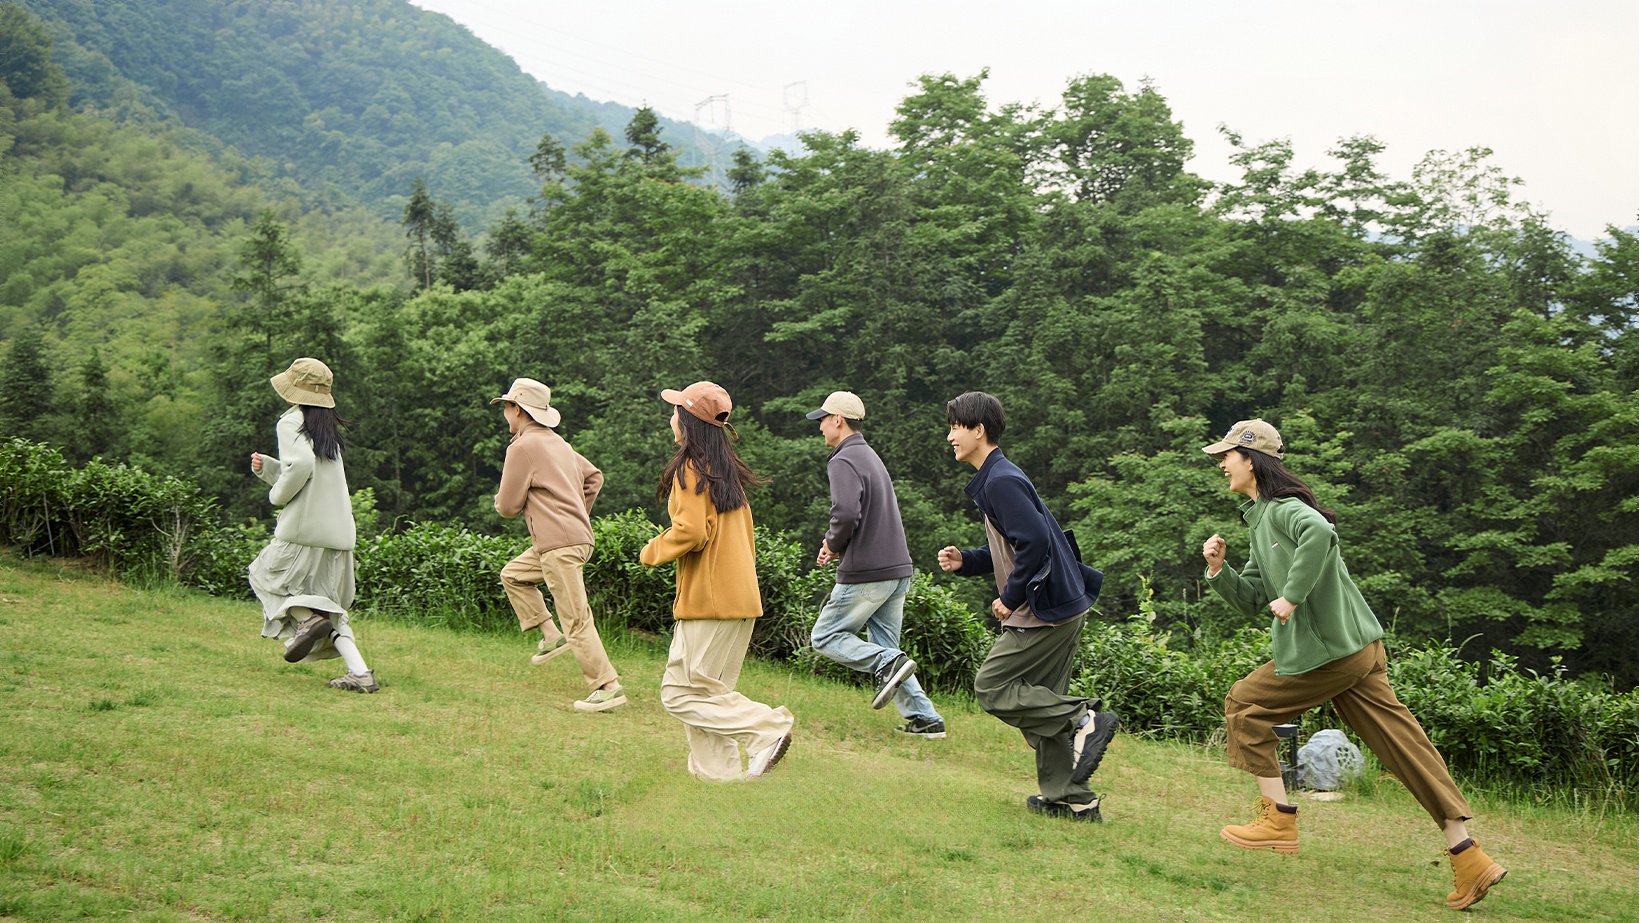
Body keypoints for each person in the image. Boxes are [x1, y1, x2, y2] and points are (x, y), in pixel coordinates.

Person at [1200, 419, 1507, 910]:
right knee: (1405, 748)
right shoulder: (1260, 519)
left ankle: (1277, 818)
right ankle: (1469, 856)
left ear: (1252, 459)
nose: (1221, 463)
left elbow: (1321, 533)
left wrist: (1294, 597)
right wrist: (1218, 569)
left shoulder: (1285, 510)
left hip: (1328, 654)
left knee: (1245, 702)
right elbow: (1254, 595)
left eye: (1227, 455)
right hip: (1359, 651)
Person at [936, 391, 1119, 821]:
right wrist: (969, 560)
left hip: (1044, 609)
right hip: (1062, 603)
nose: (950, 437)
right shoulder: (997, 477)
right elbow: (1015, 543)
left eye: (955, 427)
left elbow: (1035, 542)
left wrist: (1009, 597)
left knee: (993, 687)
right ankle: (1071, 798)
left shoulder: (1001, 480)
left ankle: (1083, 718)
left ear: (978, 431)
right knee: (1042, 705)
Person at [640, 381, 795, 781]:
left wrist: (652, 550)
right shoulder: (727, 473)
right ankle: (719, 779)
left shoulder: (691, 468)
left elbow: (690, 531)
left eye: (676, 410)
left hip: (709, 602)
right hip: (740, 600)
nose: (671, 416)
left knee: (679, 693)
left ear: (688, 421)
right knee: (708, 694)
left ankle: (767, 728)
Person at [805, 390, 945, 737]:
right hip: (897, 569)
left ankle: (888, 664)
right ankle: (925, 719)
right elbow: (861, 514)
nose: (820, 426)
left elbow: (847, 512)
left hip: (867, 573)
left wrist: (834, 542)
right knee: (886, 644)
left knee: (825, 636)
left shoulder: (842, 460)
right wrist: (833, 544)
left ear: (838, 420)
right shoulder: (869, 455)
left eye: (823, 419)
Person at [492, 378, 624, 713]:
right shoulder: (559, 444)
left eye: (506, 406)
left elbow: (507, 508)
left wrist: (505, 501)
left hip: (558, 545)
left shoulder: (521, 448)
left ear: (518, 410)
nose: (505, 413)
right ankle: (551, 635)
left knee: (576, 618)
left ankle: (607, 686)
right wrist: (576, 512)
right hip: (571, 539)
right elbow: (594, 477)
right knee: (514, 575)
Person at [248, 357, 376, 693]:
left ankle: (307, 622)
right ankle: (361, 673)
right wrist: (270, 469)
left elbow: (302, 465)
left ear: (294, 390)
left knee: (264, 575)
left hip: (303, 531)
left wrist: (275, 494)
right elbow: (309, 474)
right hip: (338, 534)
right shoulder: (325, 428)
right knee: (328, 607)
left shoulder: (291, 421)